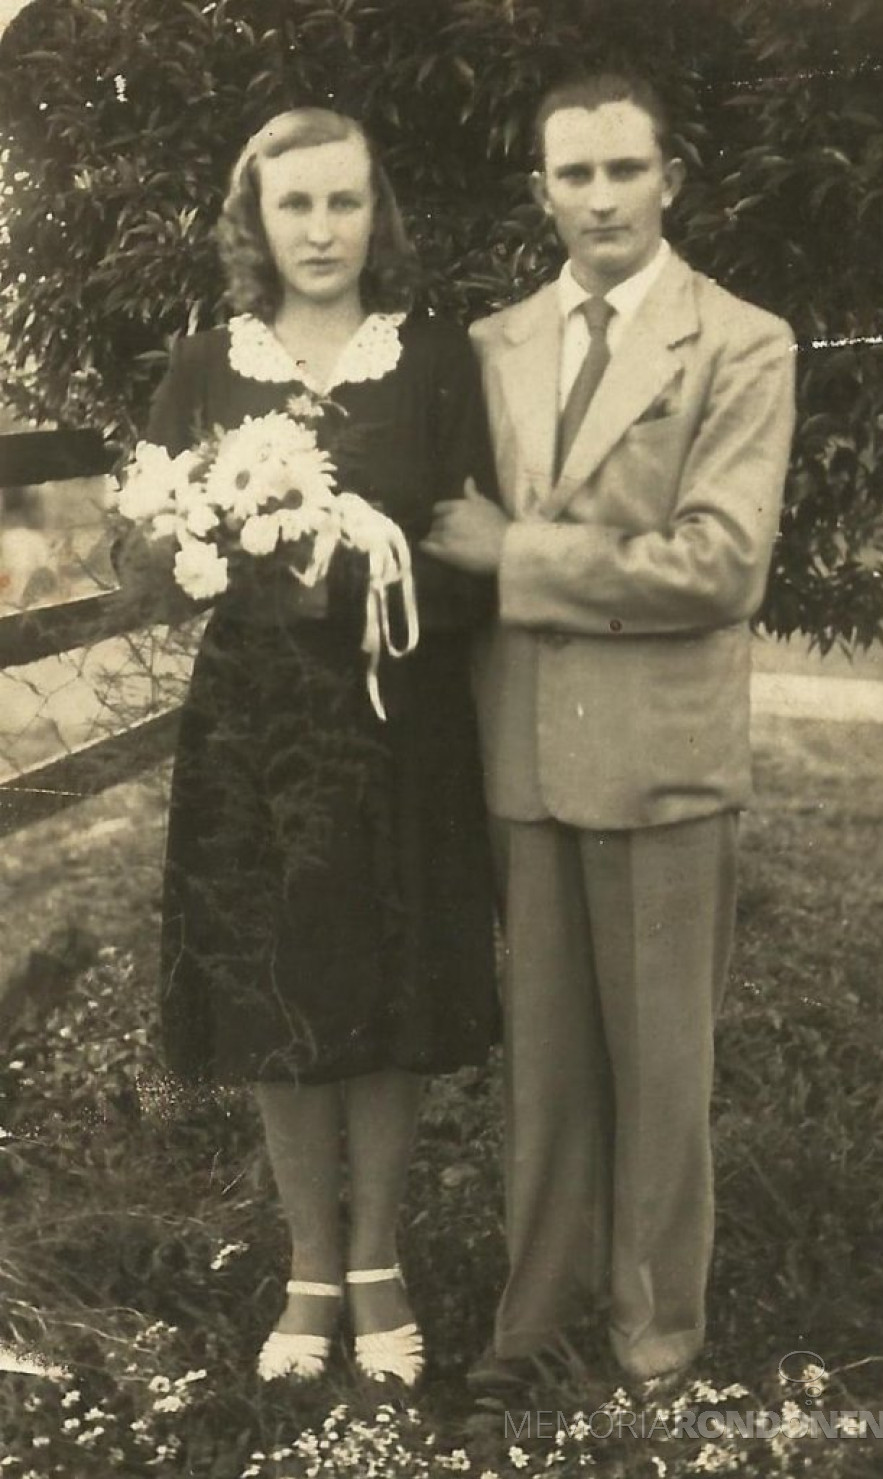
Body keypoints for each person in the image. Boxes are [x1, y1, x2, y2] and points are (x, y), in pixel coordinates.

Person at [422, 71, 796, 1392]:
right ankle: (532, 1326)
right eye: (571, 176)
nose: (598, 199)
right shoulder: (489, 345)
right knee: (549, 1074)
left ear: (670, 178)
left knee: (660, 1073)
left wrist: (519, 551)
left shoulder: (742, 341)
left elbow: (721, 564)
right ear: (539, 192)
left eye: (622, 171)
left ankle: (653, 1344)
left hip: (661, 758)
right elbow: (441, 544)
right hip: (523, 754)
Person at [139, 108, 500, 1388]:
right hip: (254, 734)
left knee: (388, 989)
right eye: (293, 205)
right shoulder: (203, 365)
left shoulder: (435, 363)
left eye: (344, 203)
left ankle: (377, 1258)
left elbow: (475, 554)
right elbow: (153, 549)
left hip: (396, 722)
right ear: (256, 219)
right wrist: (212, 542)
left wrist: (364, 582)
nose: (320, 230)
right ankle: (305, 1263)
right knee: (275, 986)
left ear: (375, 215)